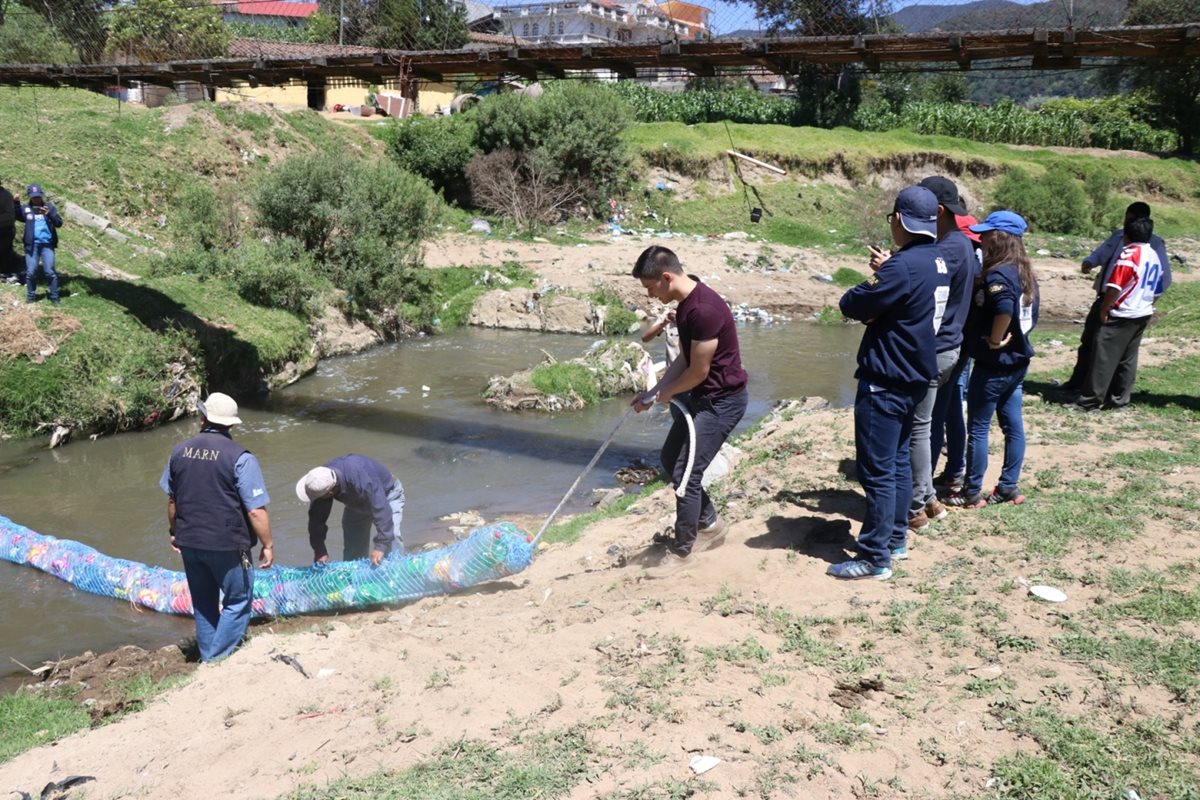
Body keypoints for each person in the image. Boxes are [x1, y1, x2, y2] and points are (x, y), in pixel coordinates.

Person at [835, 186, 943, 580]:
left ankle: (874, 556)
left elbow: (851, 304)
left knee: (877, 471)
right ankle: (896, 539)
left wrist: (877, 282)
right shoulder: (937, 260)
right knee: (897, 465)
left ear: (898, 220)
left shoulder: (902, 266)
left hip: (886, 379)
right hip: (916, 375)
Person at [630, 246, 748, 579]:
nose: (651, 295)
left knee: (685, 476)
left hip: (721, 403)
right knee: (670, 459)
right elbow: (682, 360)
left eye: (651, 288)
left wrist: (664, 395)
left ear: (666, 277)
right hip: (700, 399)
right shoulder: (684, 307)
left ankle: (682, 553)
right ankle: (709, 525)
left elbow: (698, 371)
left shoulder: (704, 310)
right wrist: (653, 392)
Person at [161, 392, 273, 663]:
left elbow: (173, 502)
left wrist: (175, 533)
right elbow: (255, 511)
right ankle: (216, 661)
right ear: (231, 424)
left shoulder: (179, 452)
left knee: (203, 603)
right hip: (228, 544)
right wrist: (268, 544)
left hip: (189, 541)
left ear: (202, 418)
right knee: (237, 601)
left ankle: (207, 654)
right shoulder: (241, 458)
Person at [948, 211, 1039, 509]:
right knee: (1013, 427)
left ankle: (972, 491)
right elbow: (1029, 315)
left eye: (986, 233)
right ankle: (1008, 487)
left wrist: (997, 338)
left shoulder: (999, 273)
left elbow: (1003, 308)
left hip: (994, 364)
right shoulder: (1024, 271)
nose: (981, 238)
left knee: (978, 427)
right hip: (1018, 363)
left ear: (999, 238)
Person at [901, 177, 973, 537]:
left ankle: (915, 507)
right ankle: (929, 499)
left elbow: (921, 288)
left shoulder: (950, 248)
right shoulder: (959, 243)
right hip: (948, 347)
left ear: (938, 211)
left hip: (936, 348)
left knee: (918, 428)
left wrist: (891, 270)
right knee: (925, 424)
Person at [1063, 202, 1170, 392]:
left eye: (1131, 220)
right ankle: (1081, 383)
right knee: (1090, 343)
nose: (1127, 223)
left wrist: (1144, 301)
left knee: (1107, 351)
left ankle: (1095, 396)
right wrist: (1090, 262)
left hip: (1120, 304)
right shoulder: (1119, 237)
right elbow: (1103, 252)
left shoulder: (1149, 246)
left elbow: (1161, 279)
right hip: (1110, 299)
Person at [931, 214, 983, 494]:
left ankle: (938, 479)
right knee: (951, 408)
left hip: (954, 343)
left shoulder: (955, 251)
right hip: (963, 342)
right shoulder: (974, 255)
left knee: (938, 413)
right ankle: (955, 470)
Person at [296, 454, 405, 566]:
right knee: (353, 547)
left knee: (392, 536)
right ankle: (356, 578)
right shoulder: (320, 483)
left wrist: (381, 545)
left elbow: (381, 508)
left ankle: (397, 572)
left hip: (387, 494)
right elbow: (316, 521)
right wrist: (320, 551)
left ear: (330, 493)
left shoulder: (360, 479)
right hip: (356, 503)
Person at [17, 184, 63, 305]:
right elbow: (17, 216)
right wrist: (16, 203)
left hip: (47, 245)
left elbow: (59, 223)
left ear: (41, 195)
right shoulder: (26, 209)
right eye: (33, 197)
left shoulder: (49, 207)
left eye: (38, 196)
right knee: (31, 272)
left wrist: (49, 214)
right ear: (30, 197)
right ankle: (31, 297)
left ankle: (54, 297)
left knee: (50, 272)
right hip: (32, 246)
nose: (36, 199)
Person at [0, 180, 16, 276]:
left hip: (5, 230)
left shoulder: (6, 196)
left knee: (3, 252)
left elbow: (10, 215)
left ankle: (4, 272)